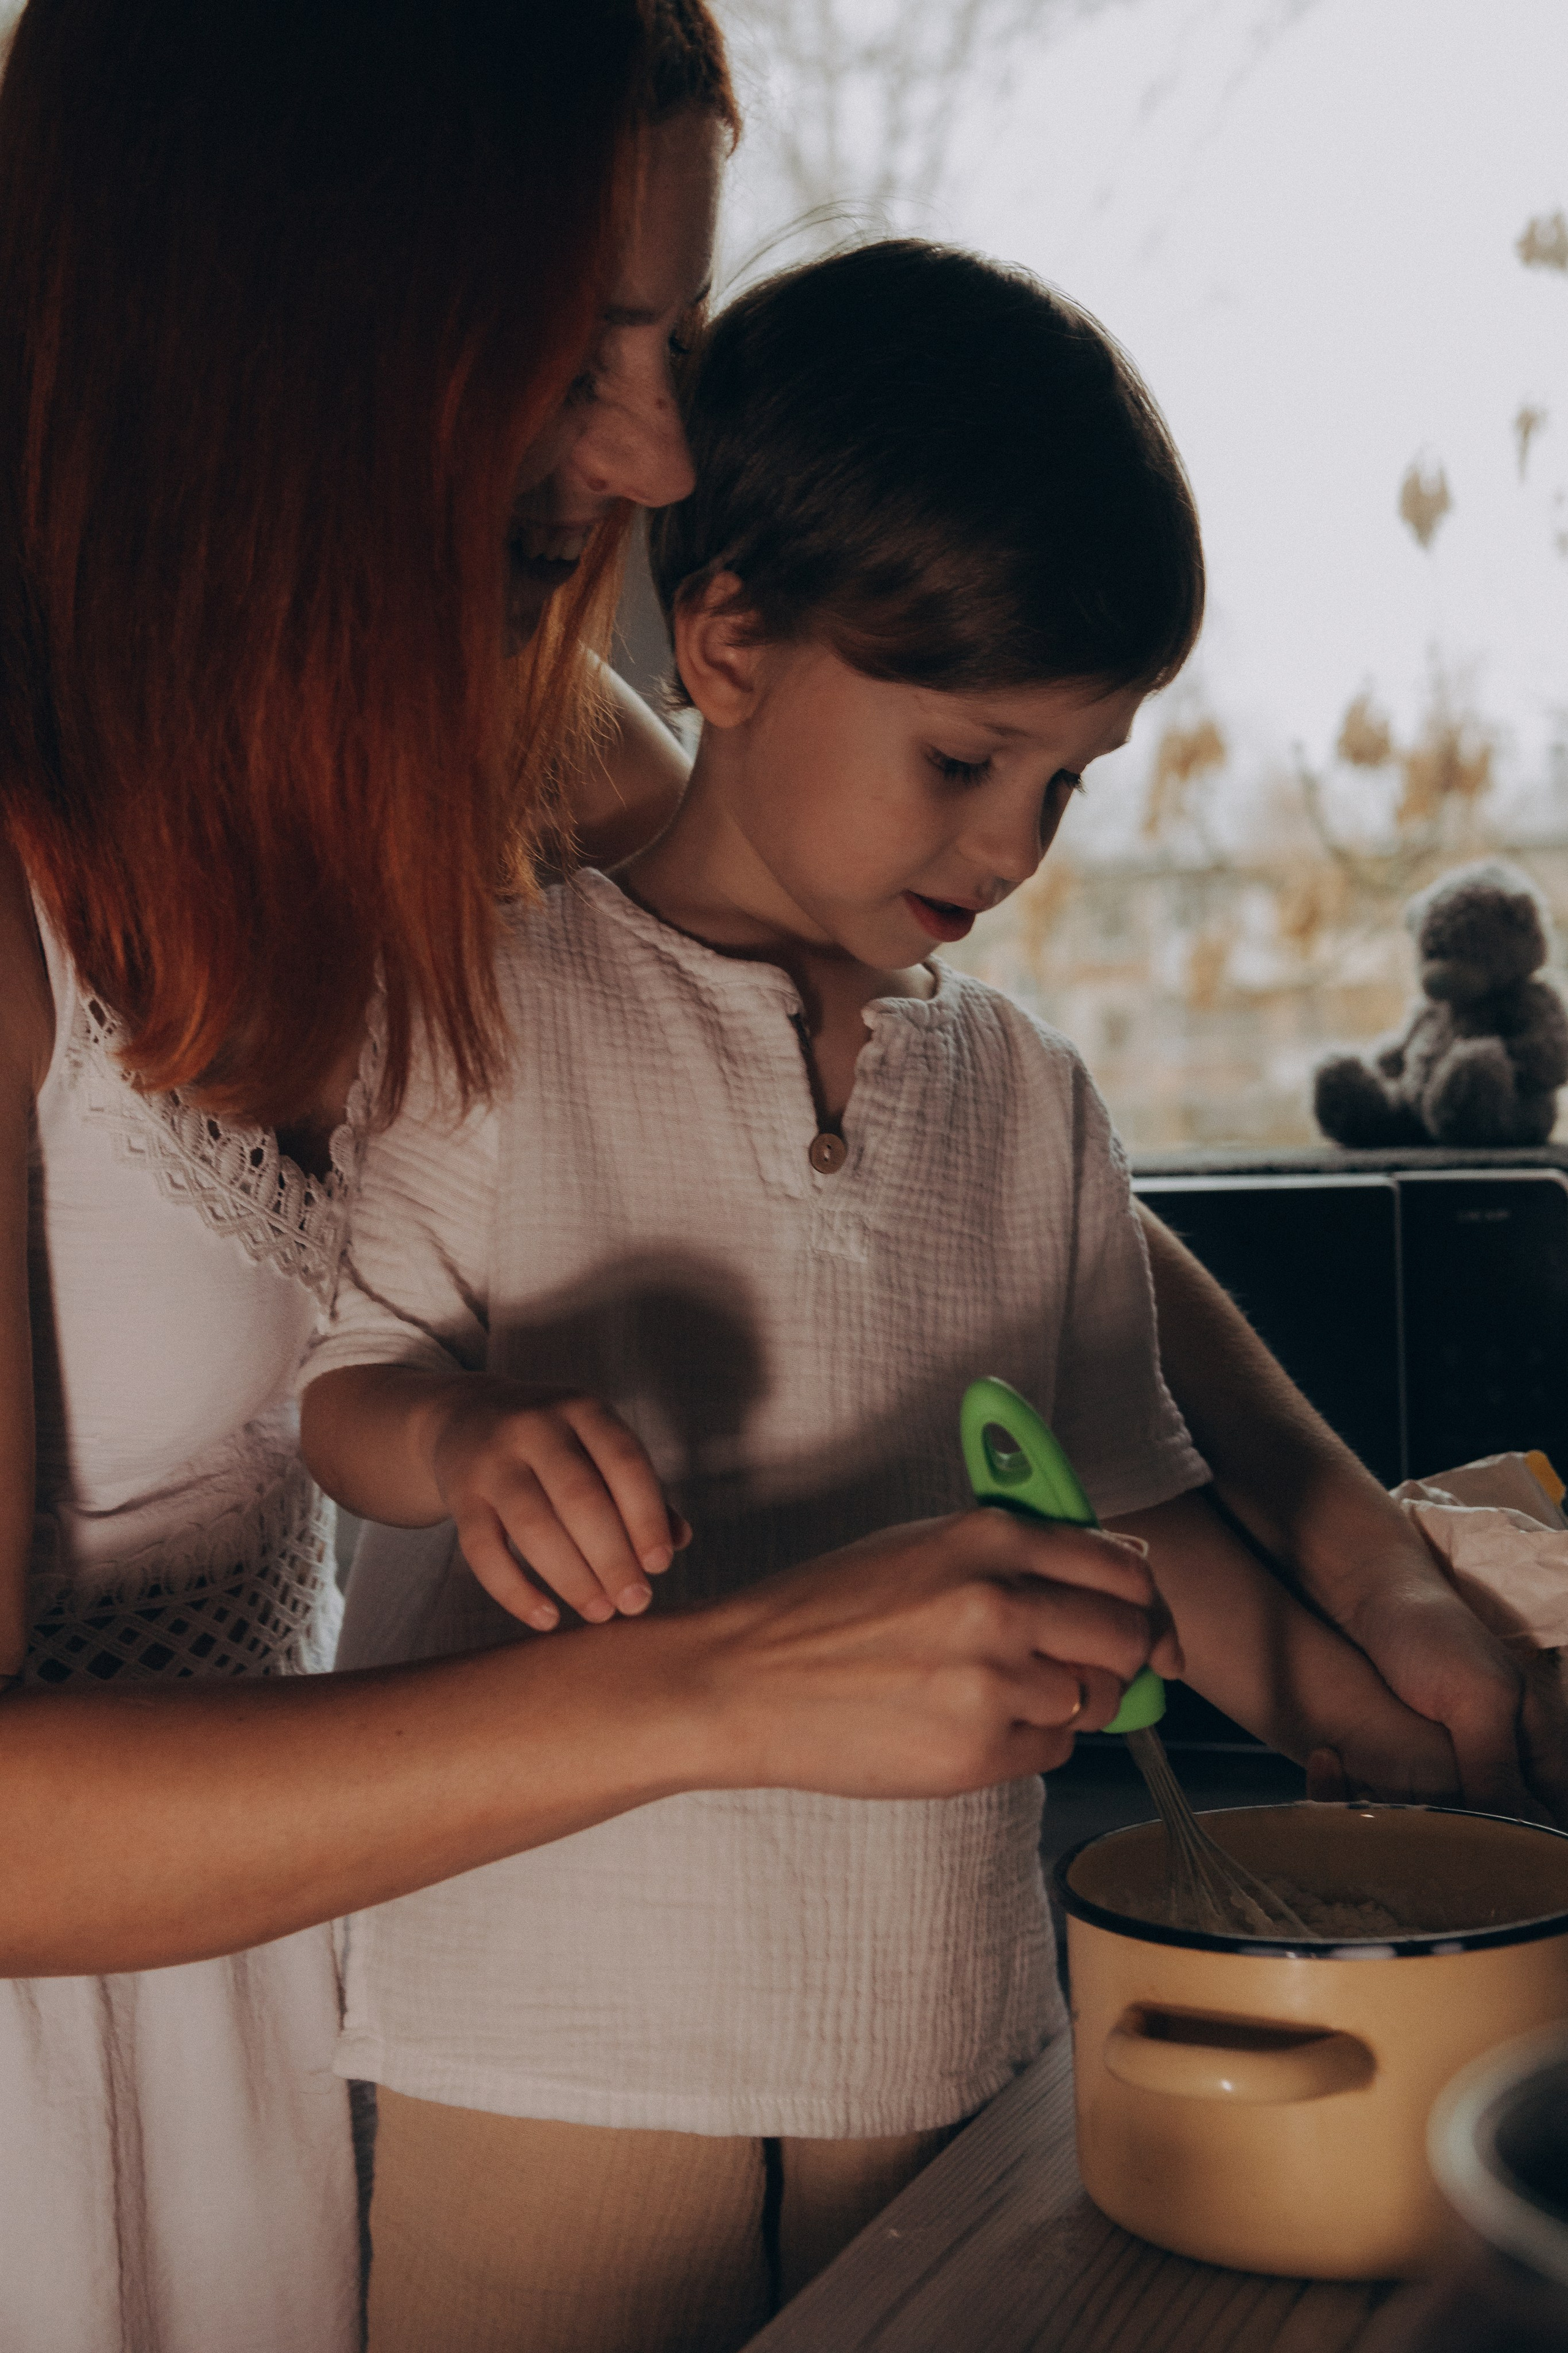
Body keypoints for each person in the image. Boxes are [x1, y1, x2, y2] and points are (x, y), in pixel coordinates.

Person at [0, 9, 1196, 2349]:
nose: (662, 451)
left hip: (275, 1992)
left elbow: (874, 1066)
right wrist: (723, 1682)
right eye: (588, 348)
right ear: (276, 324)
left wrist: (1342, 1527)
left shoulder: (459, 695)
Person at [298, 241, 1496, 2353]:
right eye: (964, 762)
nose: (1017, 840)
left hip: (939, 2036)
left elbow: (1133, 1497)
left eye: (1069, 780)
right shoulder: (496, 1005)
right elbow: (343, 1381)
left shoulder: (1029, 1097)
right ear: (729, 638)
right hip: (544, 2035)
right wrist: (463, 1440)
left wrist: (1328, 1712)